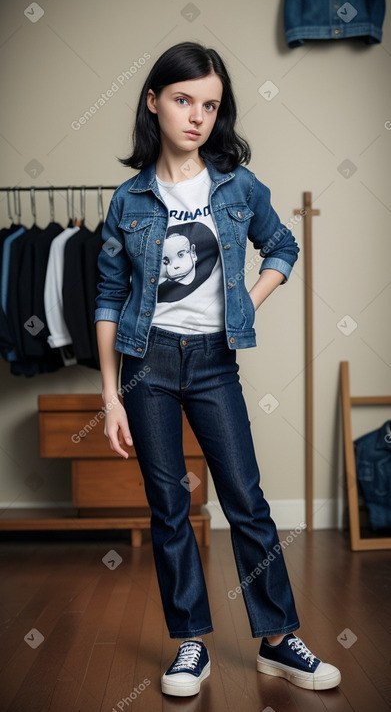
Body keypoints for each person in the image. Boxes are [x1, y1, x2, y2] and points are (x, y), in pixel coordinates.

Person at [95, 41, 341, 697]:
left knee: (245, 499)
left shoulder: (236, 186)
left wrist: (245, 304)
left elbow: (280, 247)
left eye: (209, 104)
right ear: (153, 101)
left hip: (212, 364)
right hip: (145, 368)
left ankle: (276, 639)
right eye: (183, 100)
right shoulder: (128, 201)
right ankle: (190, 647)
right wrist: (111, 396)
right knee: (170, 505)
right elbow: (108, 298)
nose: (197, 116)